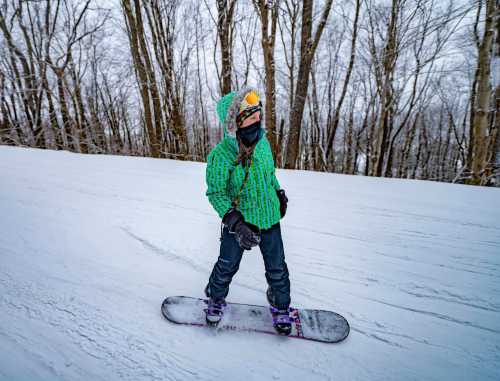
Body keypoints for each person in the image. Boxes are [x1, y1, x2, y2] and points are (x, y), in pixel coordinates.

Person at [204, 87, 292, 335]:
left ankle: (281, 305)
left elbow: (270, 175)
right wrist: (235, 222)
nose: (257, 119)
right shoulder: (221, 156)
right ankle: (215, 297)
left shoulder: (263, 144)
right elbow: (216, 193)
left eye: (258, 115)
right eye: (250, 116)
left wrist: (279, 192)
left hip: (270, 218)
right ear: (236, 122)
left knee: (277, 267)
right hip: (239, 221)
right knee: (226, 265)